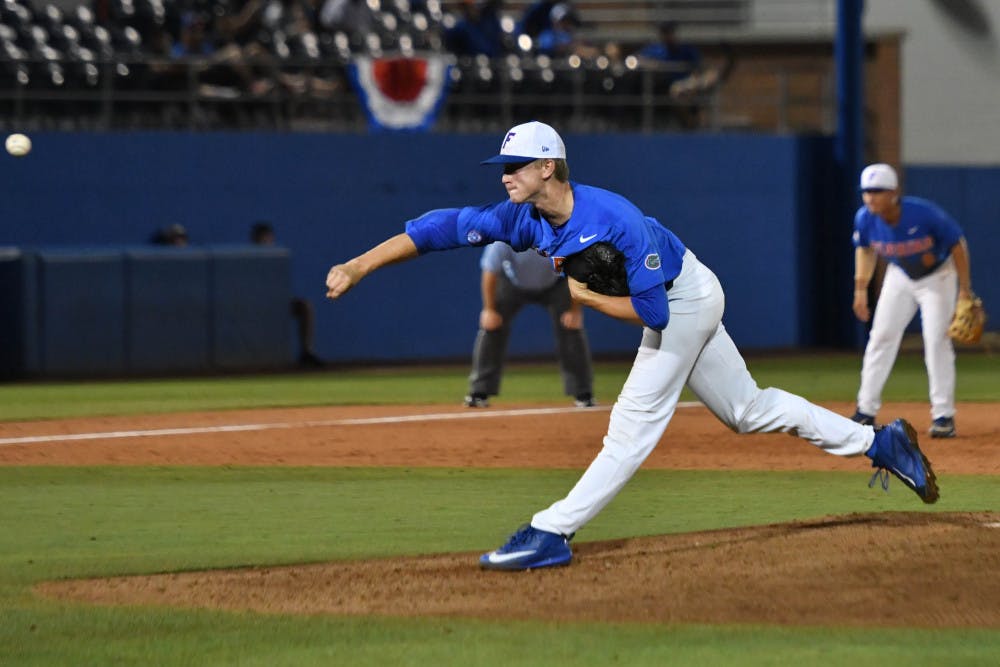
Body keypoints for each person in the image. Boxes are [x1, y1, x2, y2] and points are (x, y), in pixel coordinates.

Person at [324, 121, 939, 571]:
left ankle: (550, 532)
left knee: (631, 424)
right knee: (748, 411)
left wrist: (588, 301)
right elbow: (437, 228)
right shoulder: (521, 217)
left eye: (514, 165)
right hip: (678, 299)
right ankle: (877, 441)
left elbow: (653, 311)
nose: (504, 175)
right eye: (502, 168)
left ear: (549, 168)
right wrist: (358, 264)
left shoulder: (615, 219)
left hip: (686, 296)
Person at [849, 163, 974, 438]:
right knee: (881, 337)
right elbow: (865, 251)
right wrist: (860, 289)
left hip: (938, 278)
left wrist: (964, 290)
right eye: (866, 192)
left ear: (894, 192)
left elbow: (957, 244)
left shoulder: (924, 214)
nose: (870, 197)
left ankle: (943, 416)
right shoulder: (865, 218)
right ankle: (865, 410)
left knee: (936, 341)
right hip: (900, 276)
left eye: (877, 191)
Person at [465, 241, 594, 408]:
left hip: (556, 284)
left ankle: (583, 393)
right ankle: (479, 392)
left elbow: (576, 272)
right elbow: (490, 271)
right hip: (512, 283)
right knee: (491, 326)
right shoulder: (504, 239)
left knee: (571, 327)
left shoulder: (559, 236)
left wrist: (576, 311)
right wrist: (489, 310)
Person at [251, 222, 324, 367]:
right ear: (255, 240)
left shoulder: (277, 257)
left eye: (267, 238)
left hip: (276, 304)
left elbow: (280, 288)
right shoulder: (248, 259)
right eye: (261, 238)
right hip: (253, 306)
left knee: (304, 306)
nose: (265, 241)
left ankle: (306, 352)